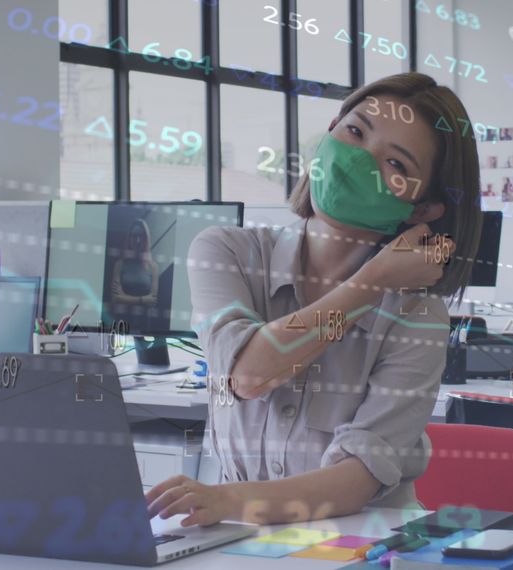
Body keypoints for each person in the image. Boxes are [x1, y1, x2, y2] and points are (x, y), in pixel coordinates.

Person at [145, 72, 482, 527]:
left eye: (396, 164)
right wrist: (374, 280)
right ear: (330, 131)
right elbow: (248, 373)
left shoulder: (418, 315)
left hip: (364, 547)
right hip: (242, 546)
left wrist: (377, 279)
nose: (358, 160)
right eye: (355, 132)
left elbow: (357, 480)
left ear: (422, 210)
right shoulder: (225, 251)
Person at [110, 219, 158, 306]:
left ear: (146, 238)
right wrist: (143, 299)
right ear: (129, 238)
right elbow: (115, 298)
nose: (138, 240)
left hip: (144, 318)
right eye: (134, 236)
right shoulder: (119, 265)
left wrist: (123, 297)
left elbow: (152, 301)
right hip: (122, 317)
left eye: (141, 236)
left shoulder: (153, 267)